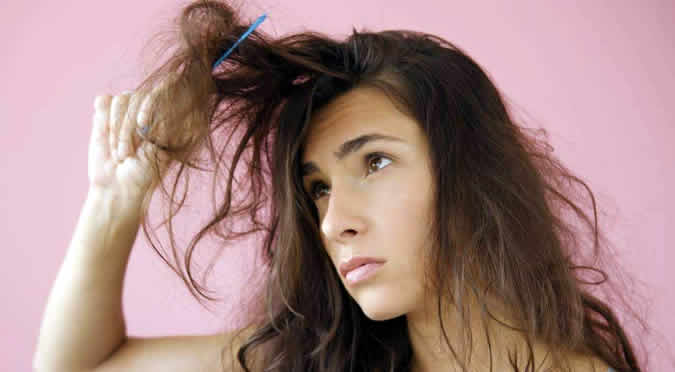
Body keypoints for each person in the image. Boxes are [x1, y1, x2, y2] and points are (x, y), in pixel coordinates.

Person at [33, 1, 647, 371]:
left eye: (375, 162)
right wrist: (115, 197)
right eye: (319, 188)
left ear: (471, 172)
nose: (333, 223)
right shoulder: (319, 358)